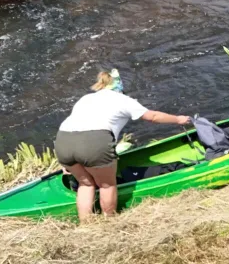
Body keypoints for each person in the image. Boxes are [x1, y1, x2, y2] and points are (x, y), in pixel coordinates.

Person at [54, 69, 191, 220]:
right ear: (120, 88)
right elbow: (153, 116)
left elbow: (75, 126)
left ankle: (86, 225)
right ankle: (110, 220)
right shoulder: (123, 100)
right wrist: (179, 119)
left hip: (63, 142)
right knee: (107, 185)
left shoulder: (85, 99)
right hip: (94, 142)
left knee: (85, 184)